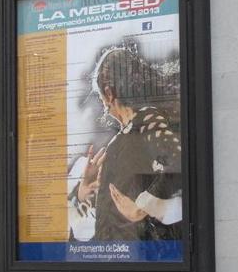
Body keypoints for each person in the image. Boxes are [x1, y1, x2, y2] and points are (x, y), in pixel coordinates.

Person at [67, 45, 183, 245]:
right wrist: (84, 189)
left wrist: (144, 206)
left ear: (109, 93)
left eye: (101, 95)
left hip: (135, 251)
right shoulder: (126, 133)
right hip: (115, 252)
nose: (103, 103)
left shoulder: (147, 117)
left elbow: (177, 161)